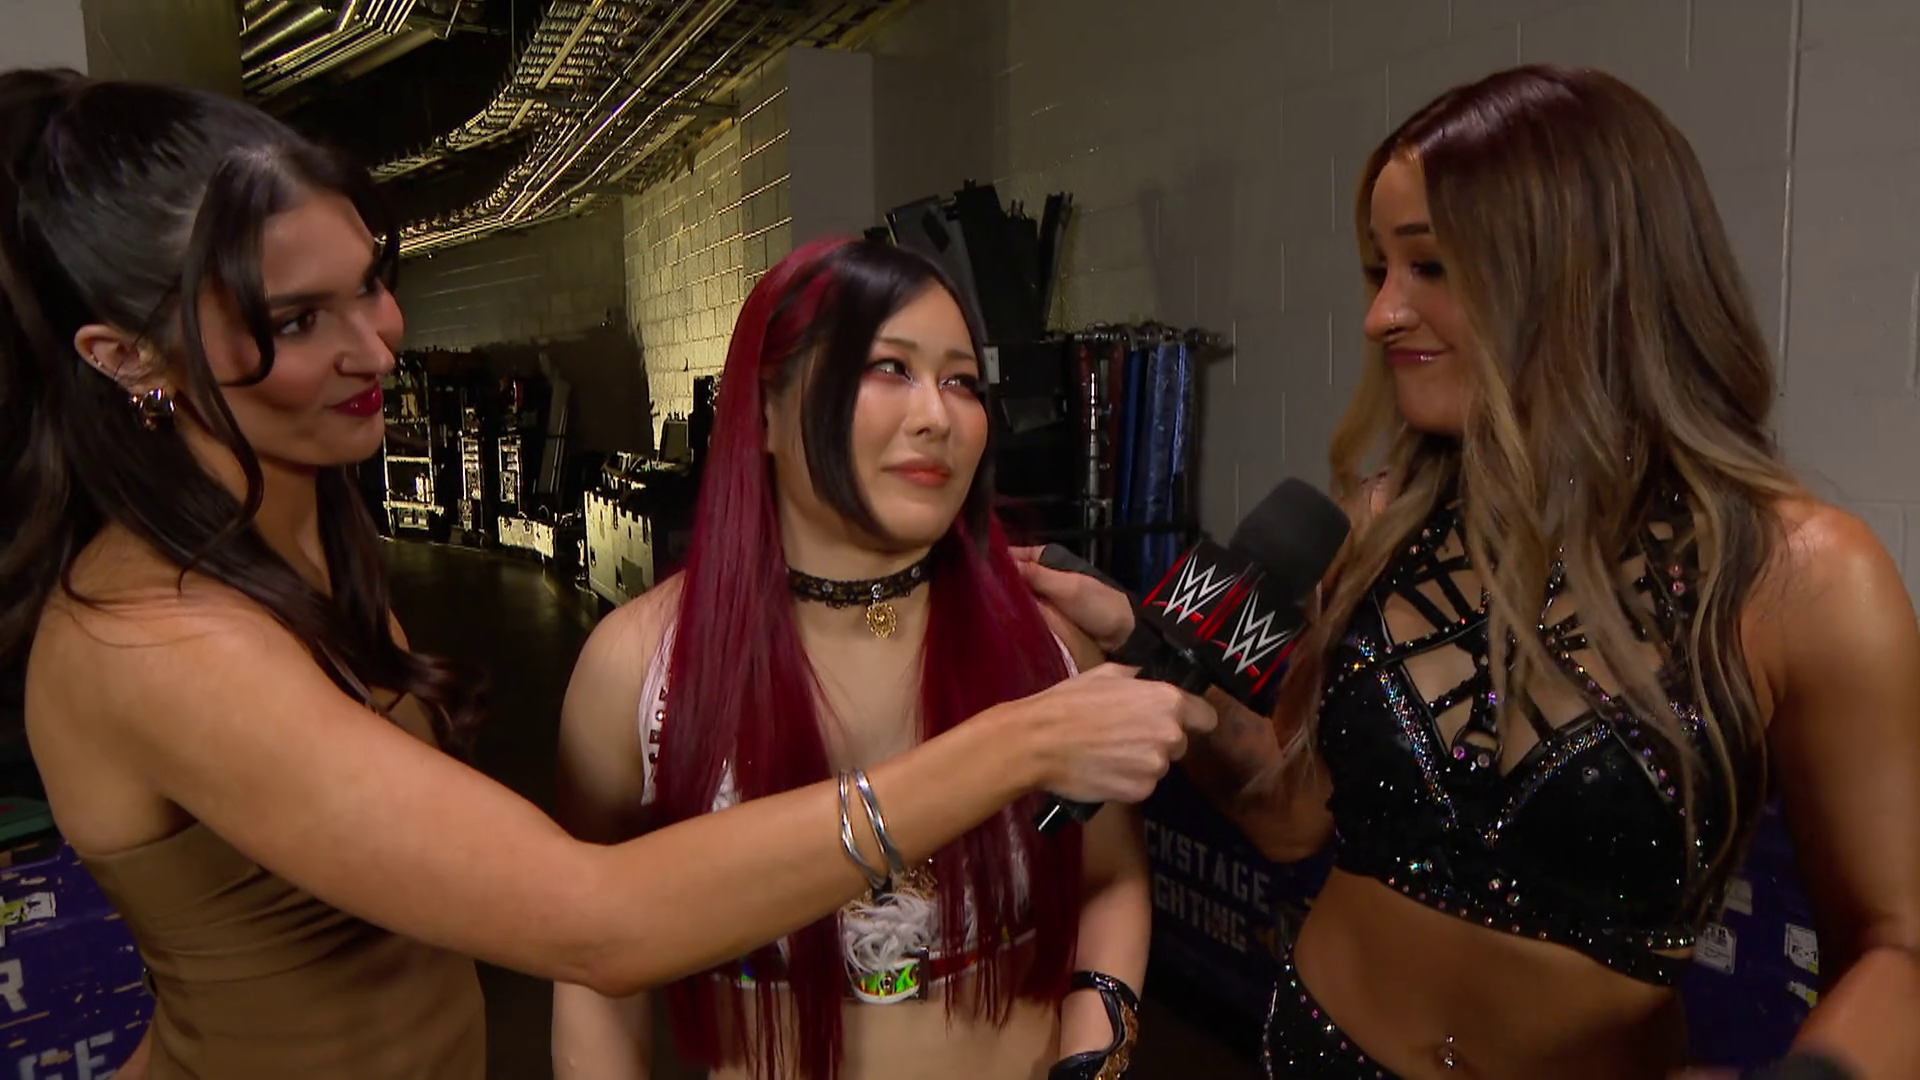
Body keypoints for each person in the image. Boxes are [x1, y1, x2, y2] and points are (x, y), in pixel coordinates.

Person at [0, 69, 1214, 1079]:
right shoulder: (159, 638)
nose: (376, 346)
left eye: (372, 283)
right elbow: (599, 928)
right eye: (297, 319)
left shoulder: (301, 538)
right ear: (126, 357)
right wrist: (1019, 745)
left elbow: (1114, 873)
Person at [1018, 64, 1920, 1080]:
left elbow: (1896, 946)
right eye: (1378, 270)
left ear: (1582, 271)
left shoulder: (1805, 578)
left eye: (1432, 266)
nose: (1381, 315)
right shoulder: (1378, 525)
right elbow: (1291, 816)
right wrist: (1140, 647)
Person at [550, 237, 1151, 1080]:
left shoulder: (1043, 642)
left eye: (962, 382)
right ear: (763, 411)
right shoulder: (640, 670)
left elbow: (1111, 877)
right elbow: (588, 962)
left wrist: (1096, 1045)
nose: (936, 416)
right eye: (889, 368)